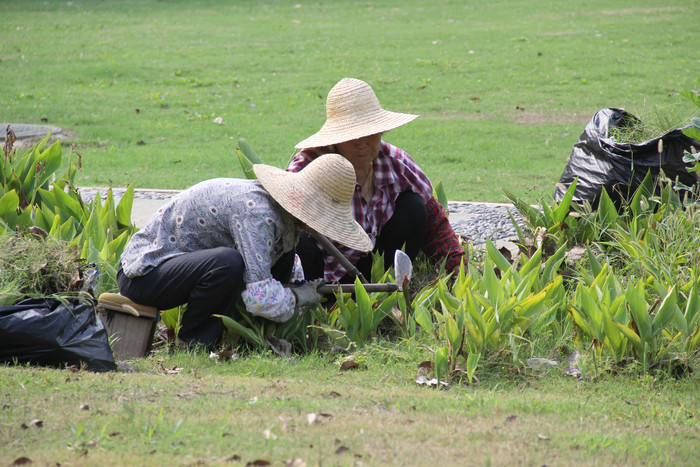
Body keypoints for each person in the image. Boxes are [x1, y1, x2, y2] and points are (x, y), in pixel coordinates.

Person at [117, 153, 373, 350]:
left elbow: (270, 271)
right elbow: (260, 297)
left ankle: (255, 340)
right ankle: (193, 344)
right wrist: (297, 297)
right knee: (227, 263)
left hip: (180, 270)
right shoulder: (259, 214)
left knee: (286, 253)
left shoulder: (281, 217)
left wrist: (294, 286)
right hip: (144, 275)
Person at [288, 77, 467, 284]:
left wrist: (456, 266)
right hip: (320, 272)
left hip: (370, 265)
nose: (361, 143)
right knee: (299, 244)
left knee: (415, 208)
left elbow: (434, 217)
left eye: (369, 133)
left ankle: (384, 288)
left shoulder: (396, 162)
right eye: (351, 135)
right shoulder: (310, 164)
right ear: (336, 138)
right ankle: (318, 304)